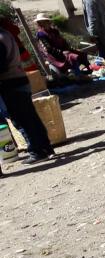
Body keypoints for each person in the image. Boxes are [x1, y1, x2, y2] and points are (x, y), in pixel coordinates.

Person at [0, 18, 55, 167]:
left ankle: (37, 151)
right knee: (31, 118)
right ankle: (45, 147)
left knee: (23, 120)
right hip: (19, 79)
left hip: (10, 83)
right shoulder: (6, 33)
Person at [33, 14, 91, 78]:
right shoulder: (41, 34)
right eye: (43, 22)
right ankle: (78, 75)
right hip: (53, 55)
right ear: (40, 23)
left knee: (81, 53)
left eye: (46, 21)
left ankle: (89, 70)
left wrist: (70, 49)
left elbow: (63, 42)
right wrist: (61, 52)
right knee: (71, 56)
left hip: (62, 51)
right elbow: (48, 49)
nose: (46, 23)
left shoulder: (54, 31)